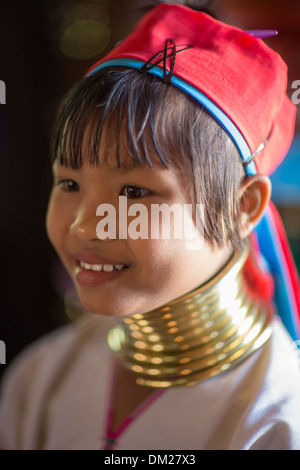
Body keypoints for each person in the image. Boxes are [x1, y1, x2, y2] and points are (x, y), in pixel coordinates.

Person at [1, 2, 300, 450]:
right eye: (68, 182)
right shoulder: (40, 381)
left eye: (135, 193)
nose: (85, 226)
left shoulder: (276, 422)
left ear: (244, 206)